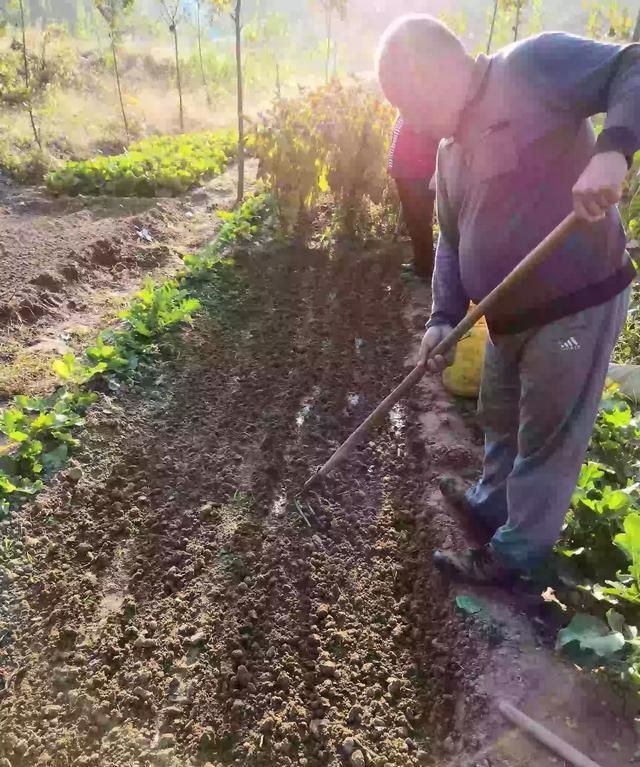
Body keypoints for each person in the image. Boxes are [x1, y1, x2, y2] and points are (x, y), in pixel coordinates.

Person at [376, 15, 639, 585]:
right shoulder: (449, 150)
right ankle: (490, 503)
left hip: (575, 301)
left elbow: (631, 66)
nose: (409, 122)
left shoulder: (531, 66)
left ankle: (515, 558)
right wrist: (442, 318)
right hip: (505, 318)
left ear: (435, 77)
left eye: (408, 104)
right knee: (499, 417)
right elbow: (451, 238)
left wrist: (614, 151)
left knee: (547, 438)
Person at [388, 116, 439, 280]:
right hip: (406, 176)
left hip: (416, 177)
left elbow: (429, 148)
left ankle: (424, 269)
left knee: (419, 223)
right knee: (414, 223)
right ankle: (420, 263)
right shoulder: (406, 112)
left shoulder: (421, 114)